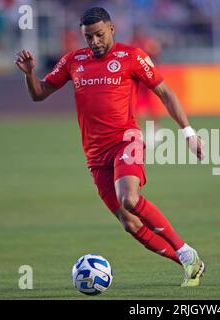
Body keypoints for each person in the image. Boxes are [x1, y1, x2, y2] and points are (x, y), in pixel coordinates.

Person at [15, 7, 205, 287]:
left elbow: (165, 92)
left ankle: (186, 250)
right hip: (94, 155)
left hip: (126, 140)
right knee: (131, 224)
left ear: (112, 29)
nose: (94, 42)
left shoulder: (132, 57)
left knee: (129, 198)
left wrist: (188, 133)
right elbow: (39, 94)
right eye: (88, 37)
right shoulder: (73, 60)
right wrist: (30, 74)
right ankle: (189, 263)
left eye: (99, 35)